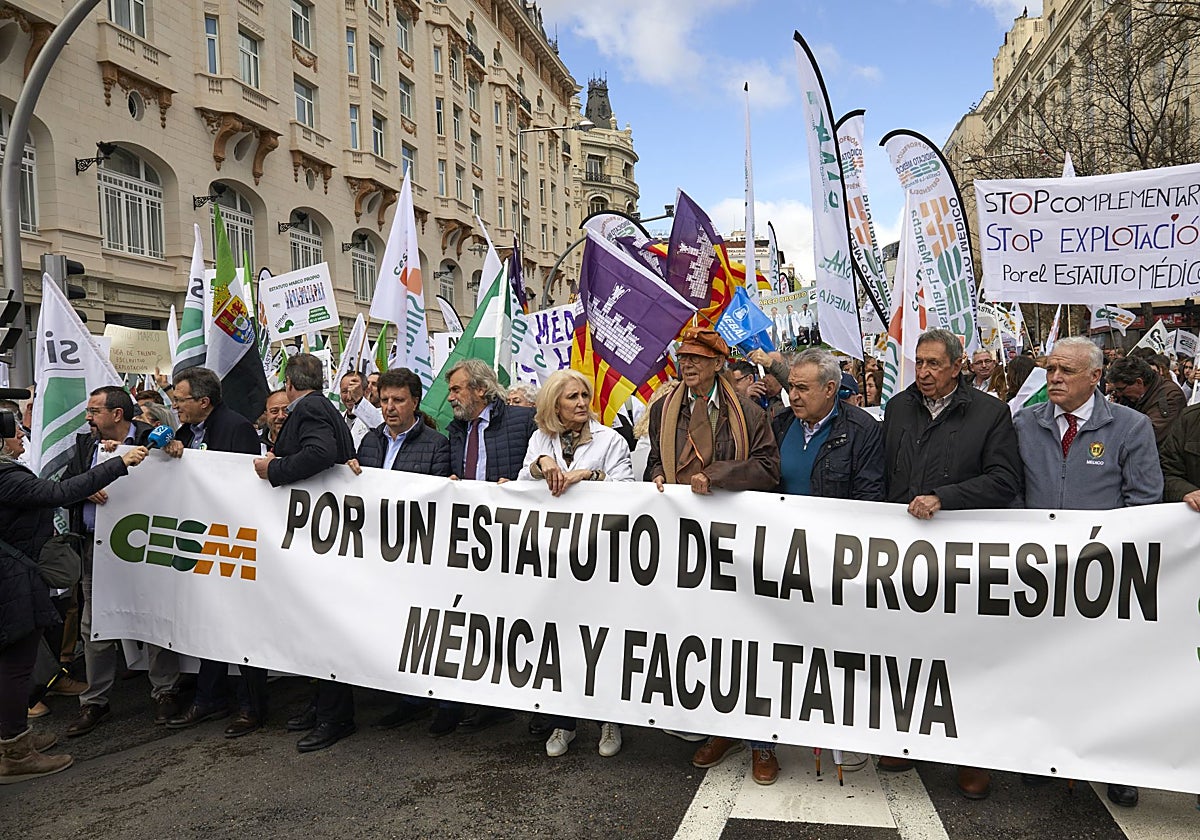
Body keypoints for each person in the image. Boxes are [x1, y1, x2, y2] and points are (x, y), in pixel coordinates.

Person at [1013, 337, 1160, 807]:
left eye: (1067, 371)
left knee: (1109, 672)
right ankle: (1048, 754)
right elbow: (1012, 491)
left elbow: (1144, 500)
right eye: (1051, 369)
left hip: (1103, 574)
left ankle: (1118, 764)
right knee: (1048, 666)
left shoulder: (1131, 427)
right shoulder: (1025, 423)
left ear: (1096, 377)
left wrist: (1109, 553)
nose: (1054, 378)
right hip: (1041, 574)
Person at [879, 328, 1023, 800]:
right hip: (904, 554)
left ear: (957, 367)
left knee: (964, 655)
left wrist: (945, 497)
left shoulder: (989, 413)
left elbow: (1004, 480)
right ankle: (907, 739)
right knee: (906, 651)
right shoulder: (898, 408)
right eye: (919, 362)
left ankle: (971, 756)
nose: (923, 372)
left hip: (962, 556)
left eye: (934, 364)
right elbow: (885, 474)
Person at [645, 327, 781, 783]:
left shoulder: (749, 412)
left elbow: (768, 469)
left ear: (719, 363)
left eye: (698, 358)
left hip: (732, 542)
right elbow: (655, 459)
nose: (687, 364)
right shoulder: (664, 407)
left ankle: (762, 743)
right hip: (682, 542)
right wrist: (657, 475)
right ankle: (719, 730)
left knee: (747, 639)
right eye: (684, 357)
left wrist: (718, 475)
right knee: (702, 639)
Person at [0, 406, 149, 783]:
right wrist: (120, 463)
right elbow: (59, 492)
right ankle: (15, 753)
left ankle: (13, 738)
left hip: (12, 577)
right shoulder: (5, 476)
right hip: (12, 581)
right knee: (15, 667)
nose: (23, 436)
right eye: (15, 431)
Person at [515, 370, 632, 758]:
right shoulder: (540, 440)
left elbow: (629, 491)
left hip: (598, 555)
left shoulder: (610, 440)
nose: (581, 402)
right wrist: (541, 464)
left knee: (599, 638)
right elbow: (522, 483)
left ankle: (609, 720)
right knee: (558, 638)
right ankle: (563, 721)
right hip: (553, 556)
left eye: (584, 395)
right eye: (572, 397)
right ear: (554, 404)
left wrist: (590, 475)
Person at [253, 354, 356, 752]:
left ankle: (335, 717)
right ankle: (321, 707)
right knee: (317, 629)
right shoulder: (322, 406)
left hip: (321, 536)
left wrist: (274, 470)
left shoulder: (309, 408)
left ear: (290, 383)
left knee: (327, 630)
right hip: (318, 533)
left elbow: (319, 453)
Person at [61, 387, 178, 738]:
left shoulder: (151, 438)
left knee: (155, 616)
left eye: (94, 411)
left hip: (147, 548)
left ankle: (165, 691)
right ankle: (94, 701)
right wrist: (84, 488)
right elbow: (65, 486)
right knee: (94, 625)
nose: (88, 417)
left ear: (116, 414)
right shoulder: (86, 445)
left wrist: (176, 449)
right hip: (97, 551)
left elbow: (179, 477)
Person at [163, 367, 267, 739]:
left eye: (180, 400)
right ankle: (209, 698)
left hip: (233, 539)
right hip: (199, 539)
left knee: (241, 624)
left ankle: (251, 706)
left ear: (203, 401)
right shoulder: (183, 432)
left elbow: (244, 484)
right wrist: (170, 450)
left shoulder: (236, 428)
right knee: (209, 622)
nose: (175, 407)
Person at [346, 367, 452, 735]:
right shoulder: (369, 442)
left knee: (428, 627)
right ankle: (408, 699)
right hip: (378, 552)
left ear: (415, 402)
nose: (389, 407)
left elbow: (439, 498)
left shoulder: (436, 445)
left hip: (418, 552)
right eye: (385, 400)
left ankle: (445, 703)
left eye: (398, 400)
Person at [441, 358, 537, 736]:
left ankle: (536, 705)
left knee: (521, 620)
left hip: (515, 537)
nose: (450, 397)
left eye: (456, 389)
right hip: (472, 539)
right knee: (479, 621)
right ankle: (487, 702)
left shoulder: (522, 421)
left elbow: (540, 467)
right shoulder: (456, 430)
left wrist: (518, 489)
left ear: (480, 389)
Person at [1108, 355, 1186, 445]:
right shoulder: (1134, 397)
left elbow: (1148, 435)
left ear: (1139, 382)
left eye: (1121, 389)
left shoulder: (1170, 396)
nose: (1119, 393)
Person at [339, 372, 382, 448]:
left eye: (354, 392)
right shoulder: (337, 418)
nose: (349, 397)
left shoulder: (377, 417)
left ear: (367, 392)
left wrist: (358, 399)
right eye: (344, 392)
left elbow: (380, 426)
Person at [260, 389, 290, 453]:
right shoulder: (254, 443)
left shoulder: (306, 444)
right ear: (266, 415)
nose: (280, 416)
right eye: (274, 411)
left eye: (286, 410)